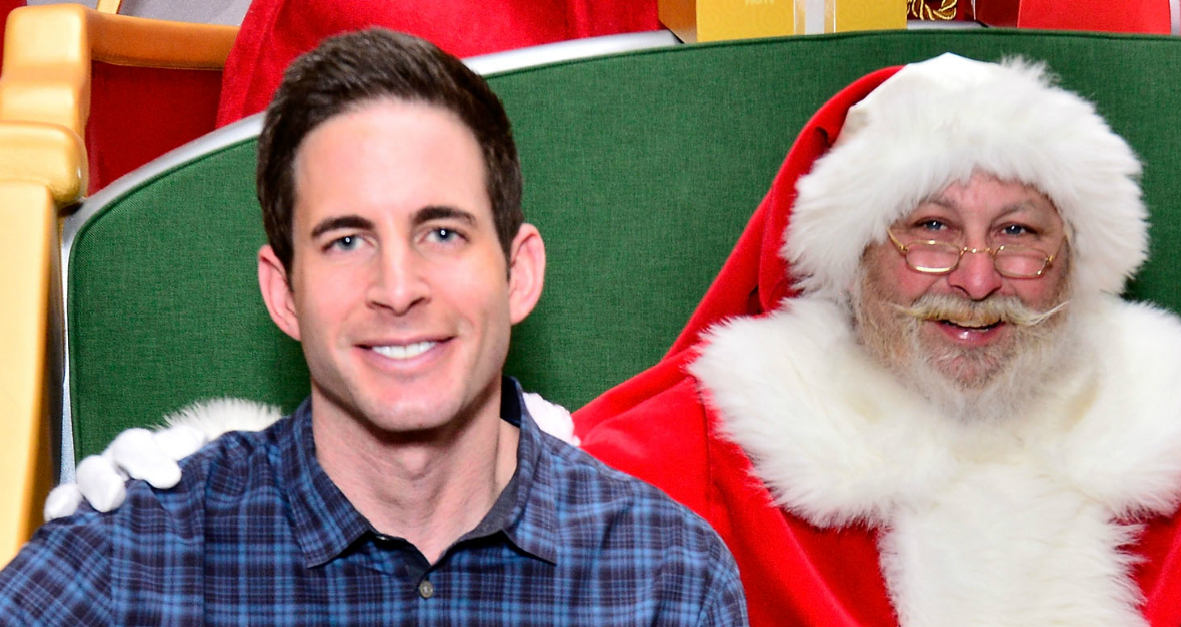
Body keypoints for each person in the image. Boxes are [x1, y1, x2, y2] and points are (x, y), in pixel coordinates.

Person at [55, 53, 1181, 626]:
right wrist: (185, 482)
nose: (978, 279)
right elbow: (446, 461)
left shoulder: (1173, 441)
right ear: (849, 260)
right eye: (930, 230)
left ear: (1081, 262)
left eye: (1021, 234)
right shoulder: (716, 444)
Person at [0, 28, 748, 626]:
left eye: (443, 233)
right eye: (347, 241)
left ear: (518, 273)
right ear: (284, 293)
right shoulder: (131, 559)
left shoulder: (663, 577)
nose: (397, 289)